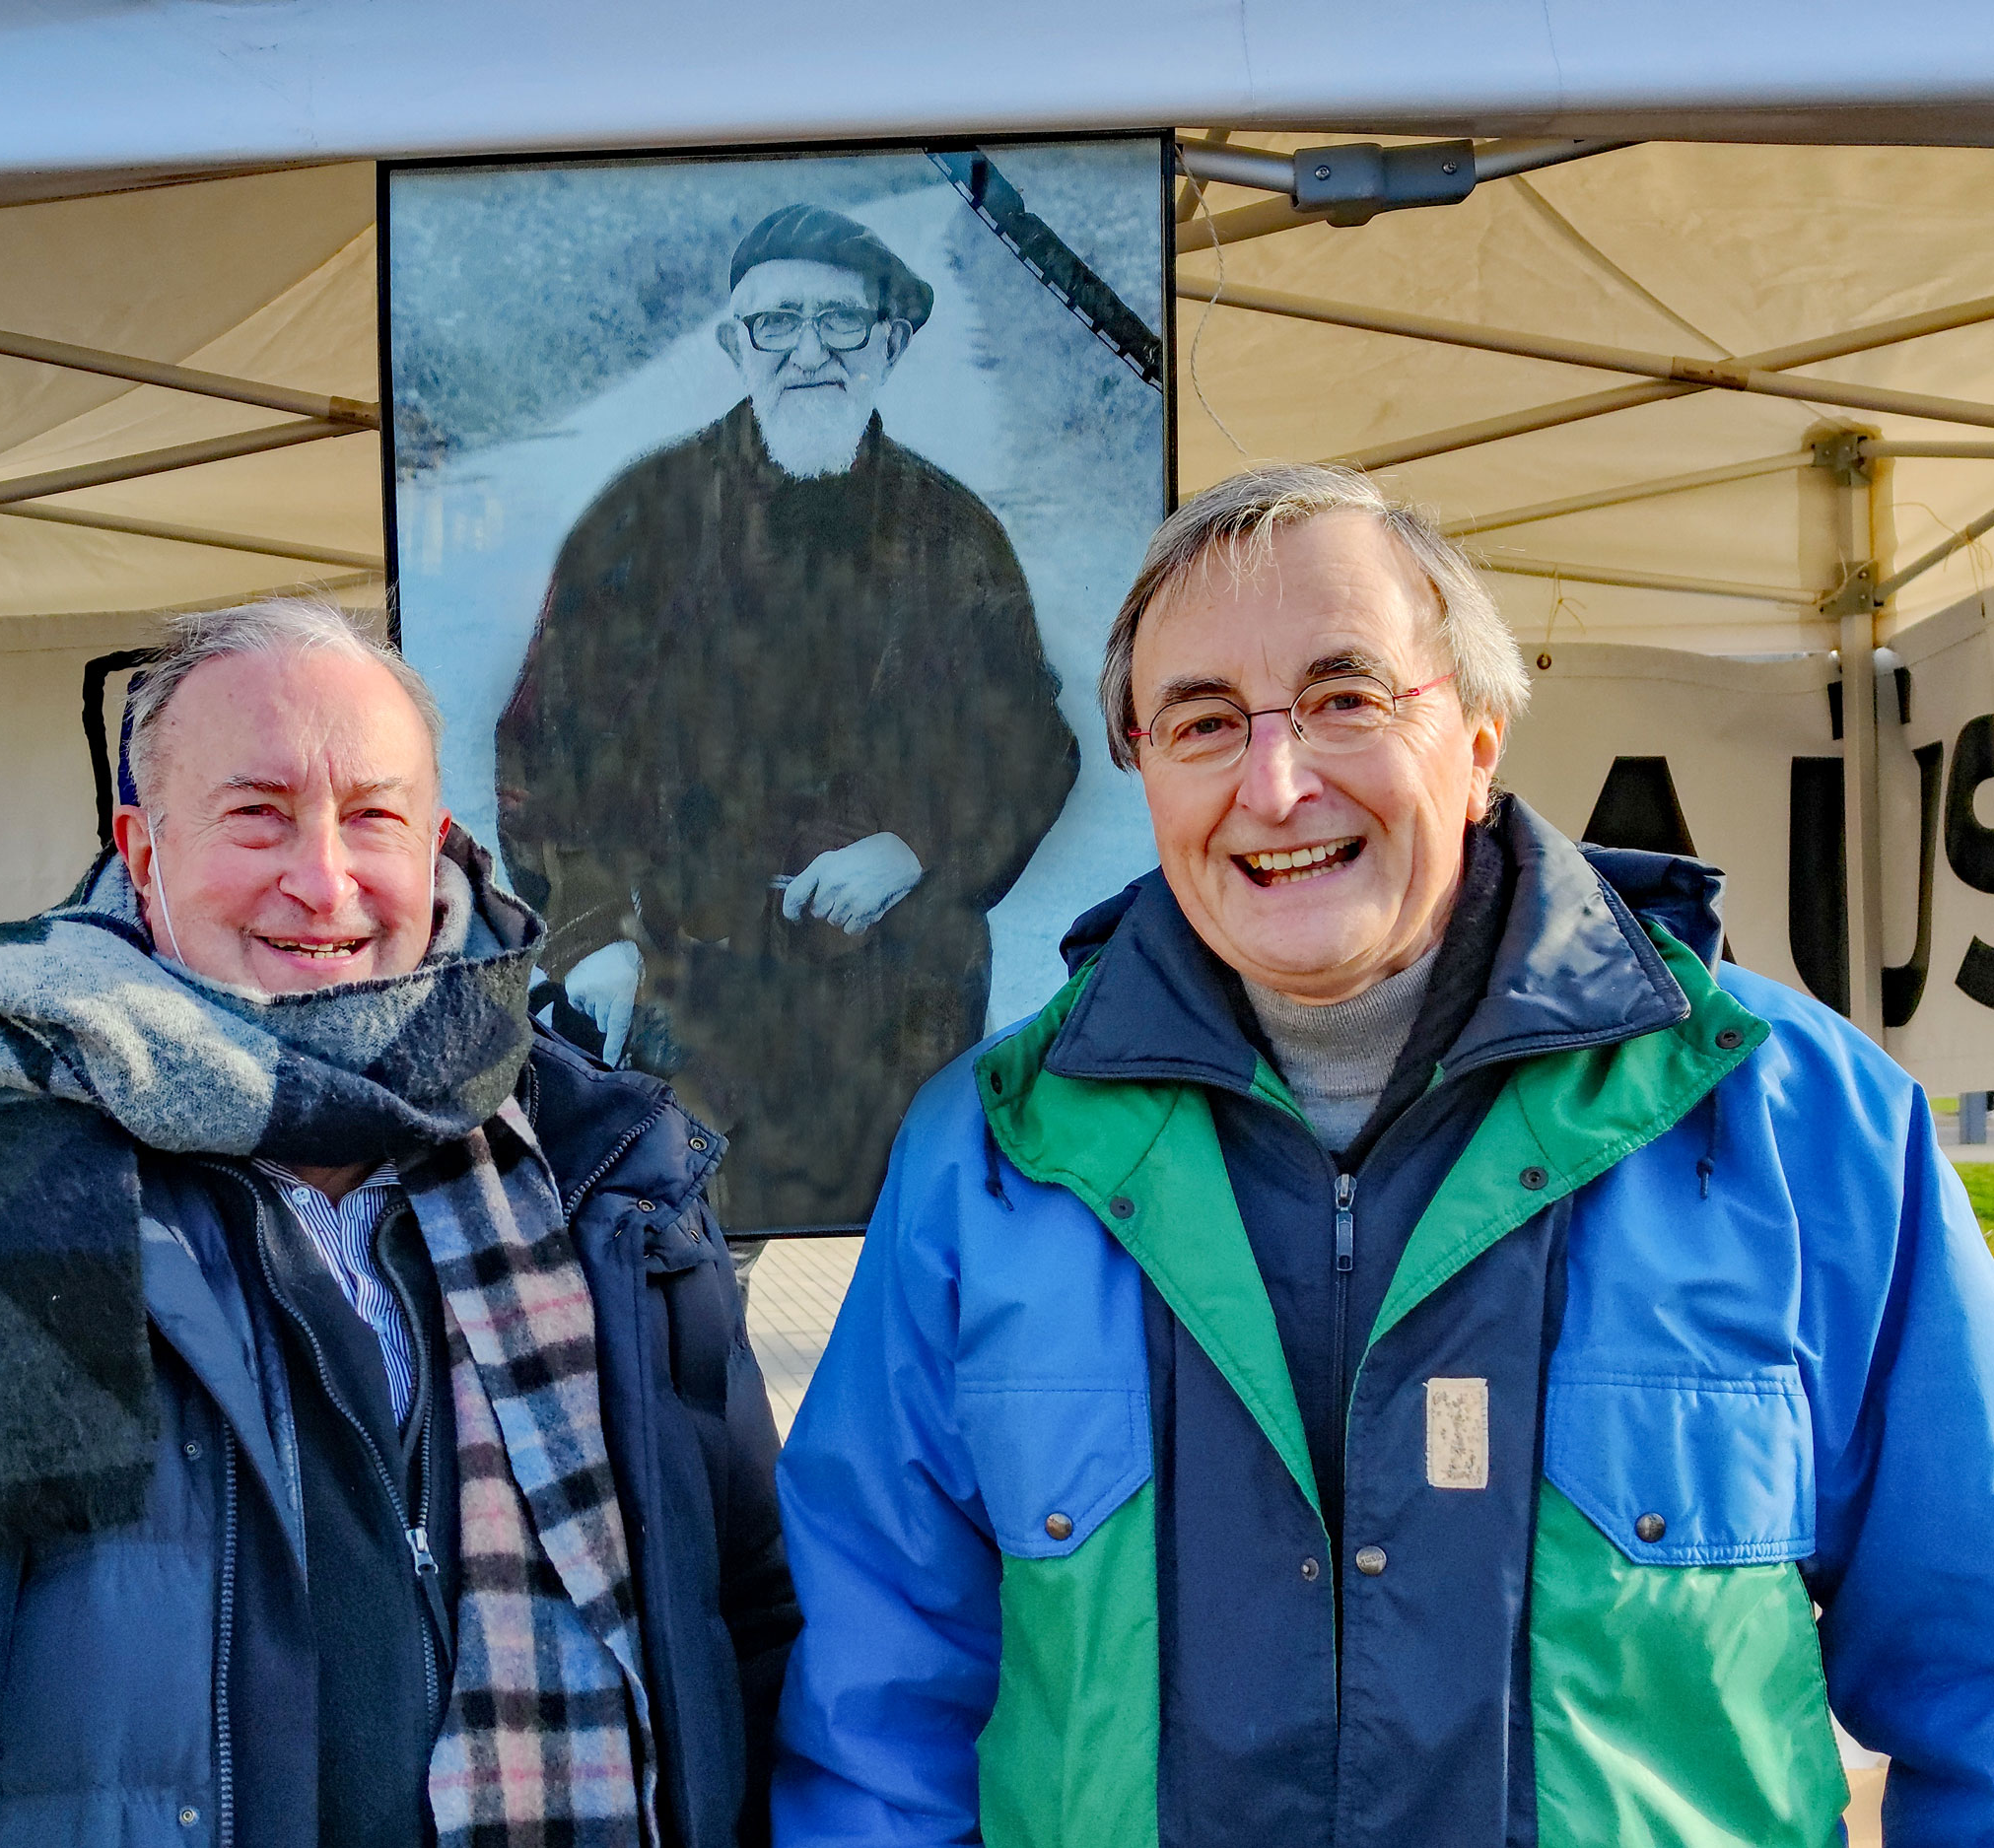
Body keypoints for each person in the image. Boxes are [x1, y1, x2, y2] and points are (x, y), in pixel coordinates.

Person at [773, 463, 1994, 1844]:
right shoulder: (985, 1161)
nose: (1277, 783)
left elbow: (1980, 1682)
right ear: (1144, 768)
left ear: (1478, 740)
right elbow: (875, 1734)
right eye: (1204, 722)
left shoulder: (1805, 1129)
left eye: (1347, 699)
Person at [0, 595, 796, 1848]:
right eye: (257, 813)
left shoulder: (598, 1171)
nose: (324, 879)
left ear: (440, 845)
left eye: (373, 816)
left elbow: (745, 1613)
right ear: (142, 852)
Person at [497, 202, 1079, 1232]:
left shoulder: (953, 533)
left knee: (917, 1279)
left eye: (840, 321)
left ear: (889, 342)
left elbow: (1033, 748)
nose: (808, 350)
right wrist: (591, 941)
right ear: (733, 343)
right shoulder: (642, 516)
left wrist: (915, 849)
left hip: (898, 1021)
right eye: (774, 324)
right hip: (687, 1007)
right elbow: (546, 756)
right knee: (682, 1298)